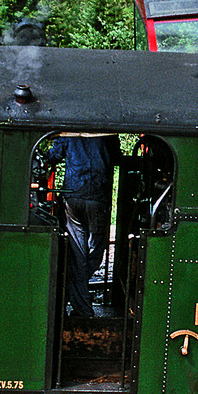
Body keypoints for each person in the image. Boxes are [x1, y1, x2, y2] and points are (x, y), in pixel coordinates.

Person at [45, 133, 119, 315]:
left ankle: (78, 298)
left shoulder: (70, 129)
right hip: (97, 196)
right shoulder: (108, 130)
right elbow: (117, 157)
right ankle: (81, 304)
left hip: (73, 194)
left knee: (78, 254)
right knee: (96, 251)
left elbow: (53, 156)